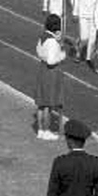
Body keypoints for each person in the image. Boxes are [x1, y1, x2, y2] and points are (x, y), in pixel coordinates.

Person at [33, 14, 68, 142]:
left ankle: (41, 130)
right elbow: (51, 61)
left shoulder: (42, 37)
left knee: (41, 103)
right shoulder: (52, 42)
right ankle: (46, 131)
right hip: (50, 72)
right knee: (47, 104)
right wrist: (62, 55)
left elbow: (38, 51)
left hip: (42, 70)